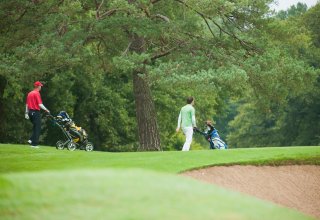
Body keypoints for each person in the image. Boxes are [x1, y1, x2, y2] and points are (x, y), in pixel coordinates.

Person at [25, 81, 50, 148]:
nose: (41, 87)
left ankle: (31, 140)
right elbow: (40, 104)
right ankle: (34, 144)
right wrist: (46, 110)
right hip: (35, 112)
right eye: (40, 86)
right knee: (38, 128)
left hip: (30, 112)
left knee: (35, 127)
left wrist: (26, 113)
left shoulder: (30, 93)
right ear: (38, 86)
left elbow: (27, 104)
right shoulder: (37, 93)